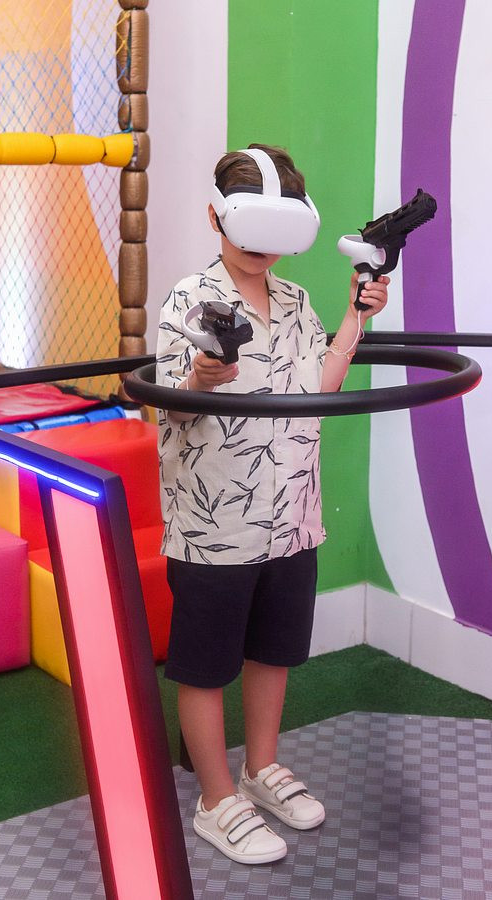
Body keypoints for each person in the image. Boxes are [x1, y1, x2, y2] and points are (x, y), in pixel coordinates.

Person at [155, 144, 389, 864]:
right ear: (216, 218)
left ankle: (260, 769)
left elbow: (321, 386)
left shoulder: (295, 302)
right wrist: (201, 375)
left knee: (272, 651)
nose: (261, 248)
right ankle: (216, 798)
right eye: (248, 228)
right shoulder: (190, 299)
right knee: (204, 665)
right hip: (215, 525)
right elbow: (171, 406)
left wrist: (354, 317)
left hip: (290, 518)